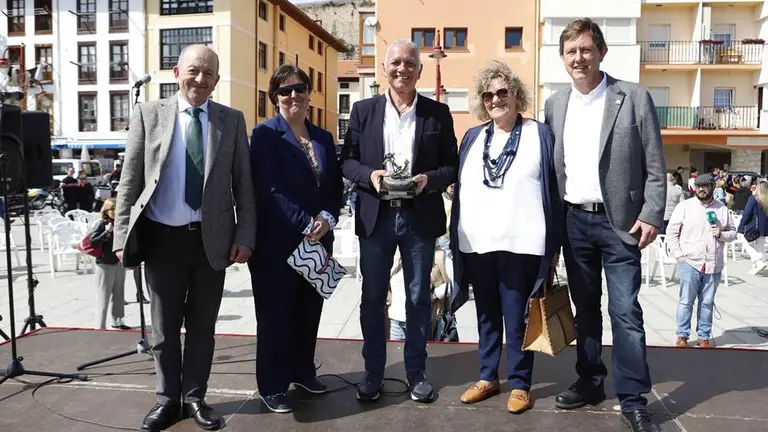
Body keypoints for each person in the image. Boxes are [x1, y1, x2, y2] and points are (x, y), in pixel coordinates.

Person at [113, 44, 256, 432]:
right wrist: (121, 235)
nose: (200, 79)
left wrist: (245, 233)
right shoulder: (148, 114)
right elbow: (130, 181)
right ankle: (165, 400)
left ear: (217, 80)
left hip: (211, 242)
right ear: (176, 72)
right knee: (163, 330)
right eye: (194, 71)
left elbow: (243, 185)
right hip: (162, 239)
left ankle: (194, 398)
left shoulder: (231, 120)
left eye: (209, 74)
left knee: (202, 328)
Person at [544, 18, 666, 432]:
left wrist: (652, 213)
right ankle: (591, 380)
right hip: (574, 222)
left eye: (585, 49)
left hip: (622, 224)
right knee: (586, 311)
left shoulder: (632, 97)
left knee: (625, 312)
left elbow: (655, 164)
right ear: (563, 59)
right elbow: (553, 169)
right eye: (570, 52)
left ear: (601, 52)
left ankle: (633, 399)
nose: (578, 58)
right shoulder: (555, 105)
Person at [339, 39, 459, 403]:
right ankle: (373, 372)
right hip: (377, 217)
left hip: (419, 217)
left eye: (410, 63)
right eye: (395, 63)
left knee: (420, 297)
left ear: (419, 71)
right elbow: (347, 161)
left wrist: (429, 180)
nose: (402, 69)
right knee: (373, 297)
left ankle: (416, 372)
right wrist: (369, 177)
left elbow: (452, 165)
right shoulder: (363, 111)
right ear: (384, 68)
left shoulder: (438, 114)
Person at [451, 60, 562, 414]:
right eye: (488, 94)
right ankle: (487, 376)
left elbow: (553, 188)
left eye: (503, 92)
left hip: (522, 242)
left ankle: (519, 383)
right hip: (479, 242)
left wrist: (554, 245)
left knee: (516, 317)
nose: (495, 99)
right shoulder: (472, 137)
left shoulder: (538, 134)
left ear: (516, 95)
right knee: (485, 315)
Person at [248, 64, 343, 413]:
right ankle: (272, 385)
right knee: (275, 317)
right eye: (285, 91)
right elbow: (269, 189)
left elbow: (334, 188)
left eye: (300, 88)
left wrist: (328, 218)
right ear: (275, 98)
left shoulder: (323, 138)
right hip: (277, 245)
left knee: (308, 312)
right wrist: (307, 223)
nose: (294, 96)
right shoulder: (264, 135)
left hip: (317, 244)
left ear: (308, 93)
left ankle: (303, 371)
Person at [666, 174, 736, 348]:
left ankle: (703, 336)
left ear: (712, 187)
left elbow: (733, 232)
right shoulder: (684, 207)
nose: (701, 189)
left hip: (713, 264)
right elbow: (671, 233)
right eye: (698, 186)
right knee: (685, 301)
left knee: (706, 303)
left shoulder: (722, 209)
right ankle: (682, 335)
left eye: (705, 186)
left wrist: (720, 233)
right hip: (690, 262)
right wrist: (679, 256)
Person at [88, 198, 130, 330]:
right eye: (114, 209)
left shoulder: (121, 223)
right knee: (103, 296)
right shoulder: (102, 224)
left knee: (119, 294)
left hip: (118, 262)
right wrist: (107, 232)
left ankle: (118, 320)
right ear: (107, 211)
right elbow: (93, 242)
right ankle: (100, 325)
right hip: (105, 263)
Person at [737, 180, 768, 275]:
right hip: (764, 228)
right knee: (760, 247)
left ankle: (758, 262)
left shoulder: (753, 198)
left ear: (758, 188)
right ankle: (757, 266)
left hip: (753, 227)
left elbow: (746, 214)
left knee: (746, 244)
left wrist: (741, 227)